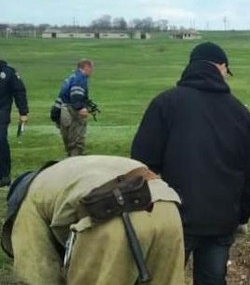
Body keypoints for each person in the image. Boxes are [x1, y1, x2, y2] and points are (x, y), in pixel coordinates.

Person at [131, 42, 250, 285]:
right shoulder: (240, 113)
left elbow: (141, 164)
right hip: (221, 219)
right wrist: (242, 214)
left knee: (162, 280)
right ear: (222, 67)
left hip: (172, 216)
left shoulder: (165, 104)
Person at [3, 155, 184, 284]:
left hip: (111, 215)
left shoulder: (28, 202)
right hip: (165, 205)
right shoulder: (68, 169)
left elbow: (37, 272)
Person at [51, 59, 94, 157]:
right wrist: (81, 108)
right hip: (72, 112)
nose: (92, 71)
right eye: (91, 68)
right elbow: (76, 94)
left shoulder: (70, 78)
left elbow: (61, 97)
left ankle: (69, 160)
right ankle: (75, 163)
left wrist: (55, 113)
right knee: (76, 141)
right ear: (86, 67)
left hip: (63, 111)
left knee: (68, 141)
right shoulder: (80, 78)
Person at [0, 58, 29, 186]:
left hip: (1, 111)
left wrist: (23, 112)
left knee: (0, 140)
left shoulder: (9, 73)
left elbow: (19, 91)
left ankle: (4, 175)